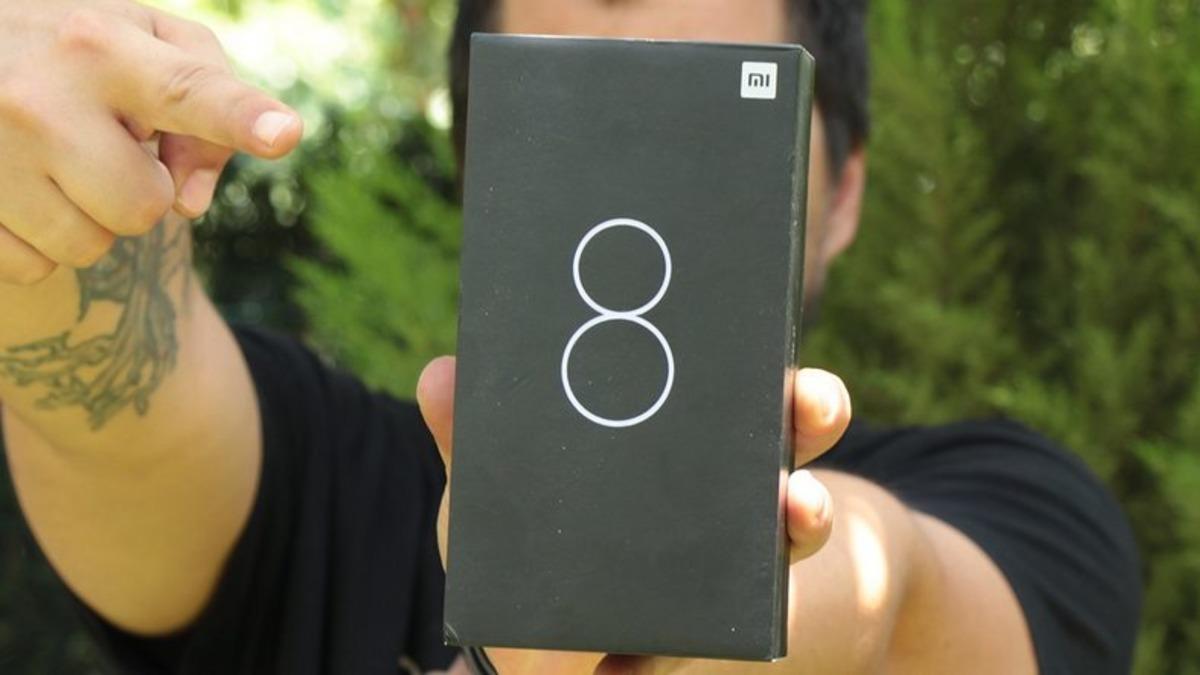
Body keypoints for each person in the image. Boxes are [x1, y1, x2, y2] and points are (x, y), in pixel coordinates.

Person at [0, 0, 1140, 673]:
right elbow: (99, 359)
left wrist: (723, 588)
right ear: (479, 171)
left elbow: (895, 599)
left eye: (703, 118)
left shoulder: (1025, 507)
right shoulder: (317, 485)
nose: (632, 180)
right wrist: (54, 149)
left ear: (840, 192)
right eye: (569, 116)